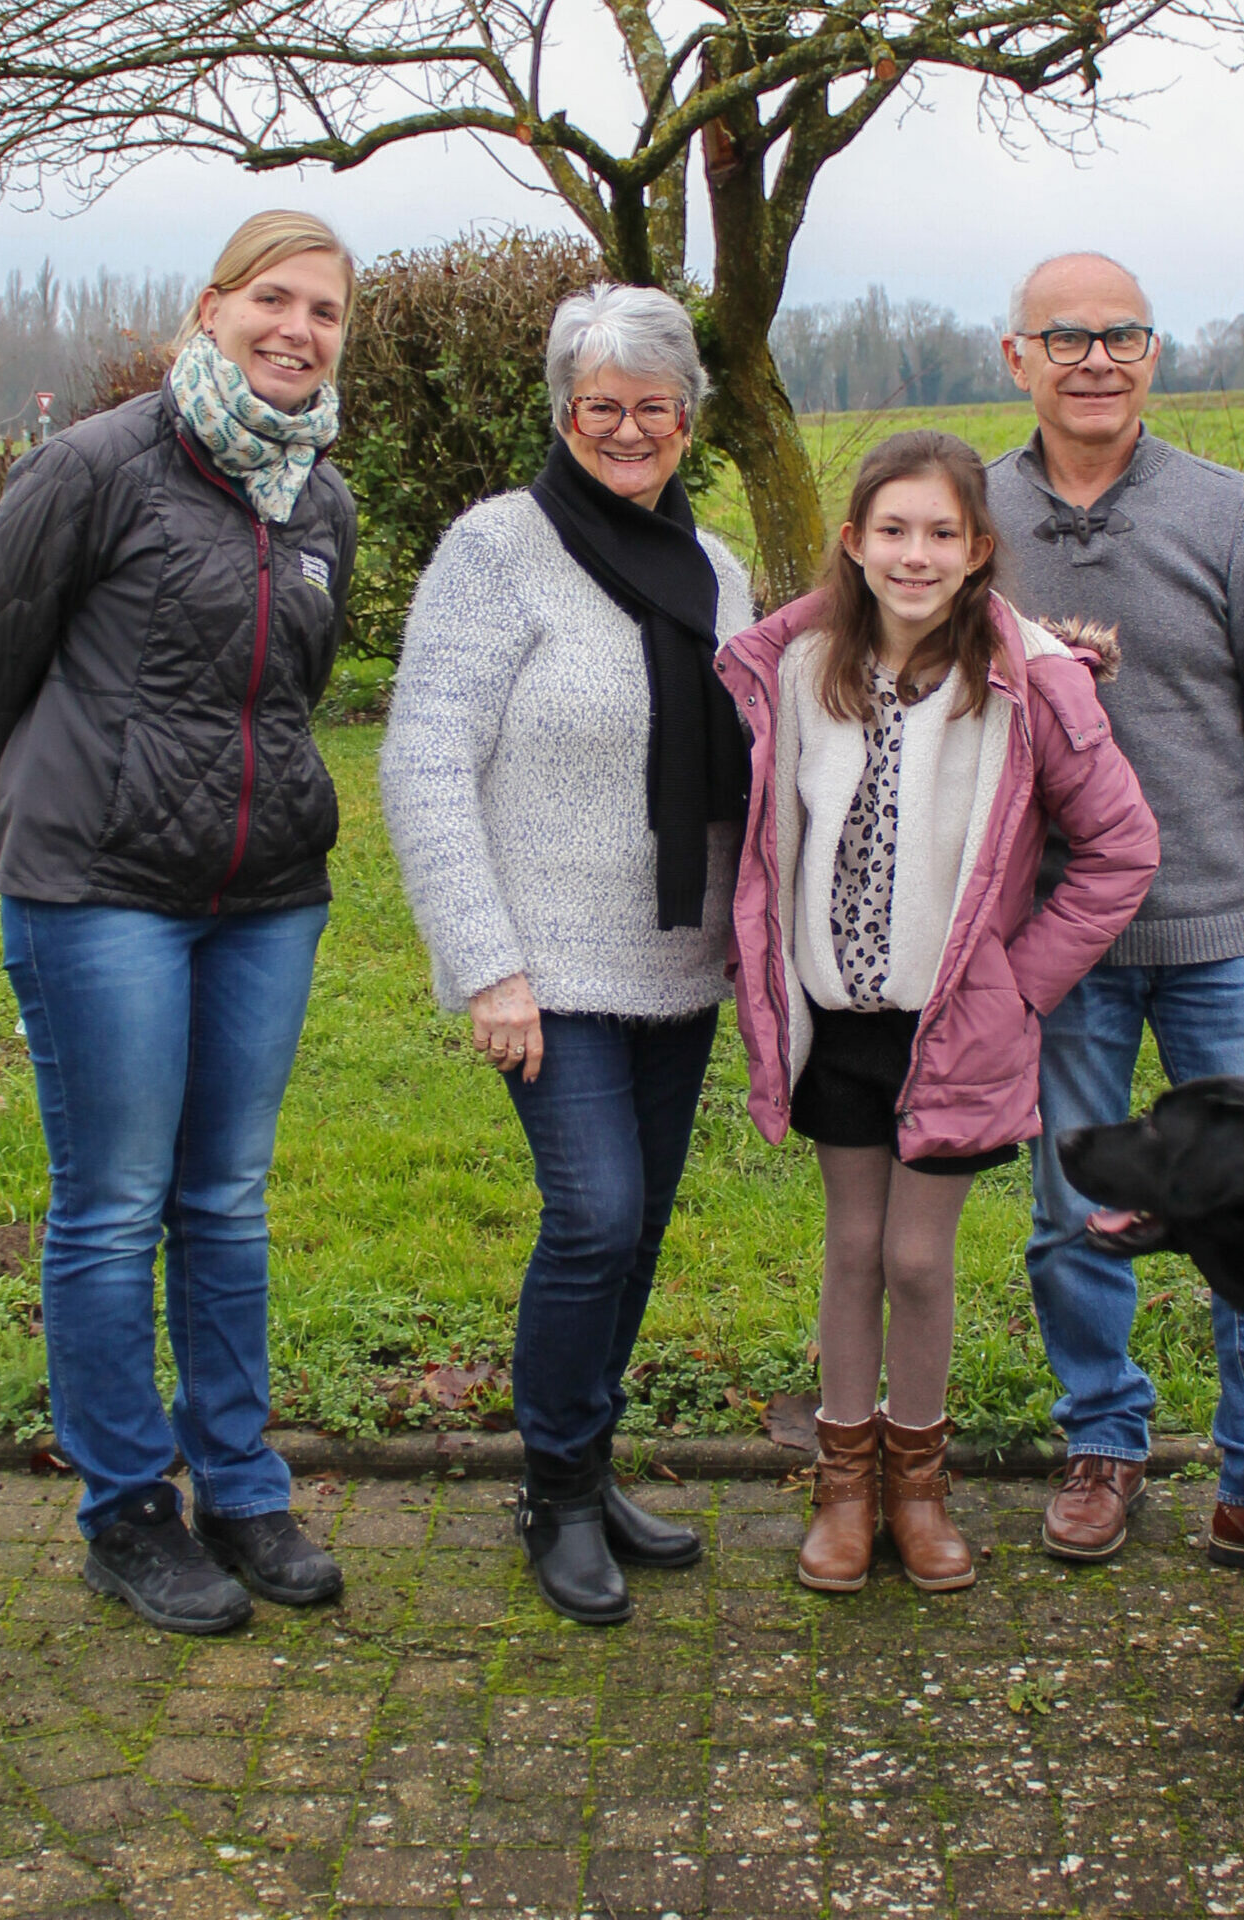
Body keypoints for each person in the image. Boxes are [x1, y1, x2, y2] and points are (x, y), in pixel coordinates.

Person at [0, 211, 358, 1634]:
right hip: (99, 894)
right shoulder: (98, 465)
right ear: (211, 306)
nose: (298, 330)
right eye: (274, 301)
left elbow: (287, 693)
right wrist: (48, 814)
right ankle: (128, 1508)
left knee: (226, 1201)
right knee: (114, 1205)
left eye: (326, 312)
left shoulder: (322, 501)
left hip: (265, 902)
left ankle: (241, 1485)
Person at [720, 431, 1158, 1595]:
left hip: (954, 1023)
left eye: (942, 534)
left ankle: (919, 1487)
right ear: (854, 543)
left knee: (919, 1259)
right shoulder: (802, 667)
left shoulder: (1028, 680)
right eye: (893, 530)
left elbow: (1121, 847)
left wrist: (1019, 983)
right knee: (852, 1247)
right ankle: (844, 1486)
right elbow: (768, 838)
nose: (916, 555)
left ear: (978, 551)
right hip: (839, 1024)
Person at [985, 251, 1244, 1573]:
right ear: (1015, 356)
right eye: (1068, 336)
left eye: (1124, 335)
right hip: (1054, 944)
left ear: (1156, 354)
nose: (1097, 358)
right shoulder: (970, 518)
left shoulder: (1230, 513)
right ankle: (1102, 1440)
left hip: (1227, 939)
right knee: (1069, 1212)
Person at [384, 284, 752, 1627]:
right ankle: (549, 1485)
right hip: (545, 967)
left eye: (657, 408)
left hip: (681, 952)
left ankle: (590, 1469)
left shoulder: (719, 571)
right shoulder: (499, 550)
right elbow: (426, 758)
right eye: (605, 407)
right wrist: (486, 963)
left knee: (641, 1224)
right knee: (593, 1214)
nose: (631, 430)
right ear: (562, 412)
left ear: (687, 418)